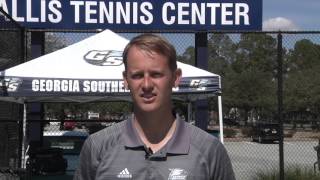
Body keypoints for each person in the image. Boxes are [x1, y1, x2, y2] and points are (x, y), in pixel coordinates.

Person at [74, 34, 235, 180]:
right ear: (125, 80)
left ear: (175, 77)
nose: (146, 85)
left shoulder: (209, 150)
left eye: (156, 74)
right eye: (137, 75)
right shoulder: (98, 147)